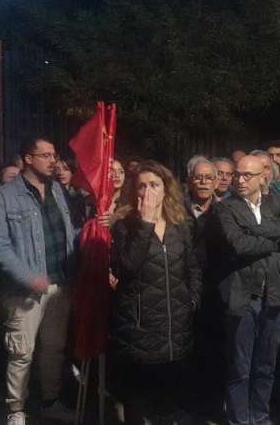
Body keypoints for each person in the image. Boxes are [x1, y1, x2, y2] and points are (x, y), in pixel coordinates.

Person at [0, 137, 78, 425]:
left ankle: (49, 402)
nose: (53, 161)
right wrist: (30, 278)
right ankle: (16, 409)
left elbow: (67, 234)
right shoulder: (4, 197)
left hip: (59, 286)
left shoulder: (58, 191)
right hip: (24, 291)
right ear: (28, 158)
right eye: (45, 155)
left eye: (55, 154)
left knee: (54, 349)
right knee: (21, 352)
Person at [109, 160, 203, 423]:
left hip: (175, 327)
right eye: (141, 185)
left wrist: (192, 300)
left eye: (154, 184)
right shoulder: (124, 226)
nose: (147, 191)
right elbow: (126, 270)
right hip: (140, 327)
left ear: (166, 189)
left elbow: (193, 267)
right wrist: (145, 224)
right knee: (137, 400)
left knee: (169, 401)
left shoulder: (180, 224)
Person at [212, 155, 280, 425]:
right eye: (237, 174)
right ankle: (239, 420)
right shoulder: (225, 209)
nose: (239, 180)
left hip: (274, 294)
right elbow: (239, 244)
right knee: (240, 367)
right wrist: (273, 241)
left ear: (262, 176)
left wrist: (257, 229)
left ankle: (260, 417)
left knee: (266, 365)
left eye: (246, 175)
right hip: (242, 296)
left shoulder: (275, 201)